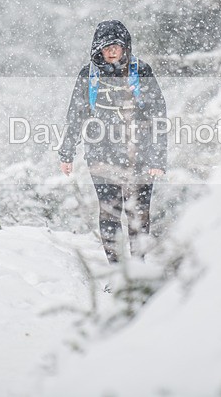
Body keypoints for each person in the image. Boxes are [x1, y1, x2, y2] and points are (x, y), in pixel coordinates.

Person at [58, 20, 167, 264]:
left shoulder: (141, 71)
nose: (112, 51)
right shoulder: (89, 75)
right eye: (107, 47)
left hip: (140, 155)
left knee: (138, 214)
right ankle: (116, 271)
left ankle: (137, 268)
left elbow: (158, 115)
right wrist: (66, 154)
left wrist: (157, 158)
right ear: (98, 49)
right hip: (101, 156)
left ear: (125, 46)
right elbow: (76, 114)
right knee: (110, 213)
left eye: (117, 45)